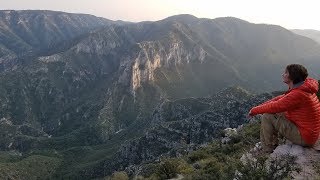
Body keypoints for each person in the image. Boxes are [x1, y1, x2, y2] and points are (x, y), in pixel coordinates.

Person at [248, 64, 320, 153]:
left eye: (286, 72)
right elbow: (280, 99)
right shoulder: (303, 88)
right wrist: (257, 107)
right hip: (309, 133)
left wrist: (254, 111)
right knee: (274, 113)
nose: (283, 74)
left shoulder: (298, 94)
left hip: (305, 137)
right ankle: (273, 142)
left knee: (267, 116)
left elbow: (276, 106)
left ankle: (268, 149)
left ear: (292, 76)